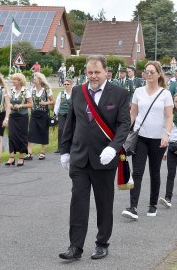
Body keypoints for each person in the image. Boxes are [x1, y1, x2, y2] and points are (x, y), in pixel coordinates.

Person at [59, 55, 130, 260]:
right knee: (78, 203)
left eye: (97, 72)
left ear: (107, 72)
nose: (93, 76)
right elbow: (70, 123)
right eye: (89, 72)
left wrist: (113, 148)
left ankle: (102, 243)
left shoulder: (119, 94)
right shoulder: (77, 91)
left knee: (104, 203)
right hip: (80, 158)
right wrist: (65, 150)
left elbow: (124, 125)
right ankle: (75, 247)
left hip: (105, 158)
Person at [122, 61, 173, 220]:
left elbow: (169, 116)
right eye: (147, 72)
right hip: (140, 137)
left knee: (154, 172)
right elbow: (132, 114)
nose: (149, 75)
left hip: (158, 139)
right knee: (136, 171)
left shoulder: (165, 94)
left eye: (152, 72)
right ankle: (133, 207)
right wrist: (124, 132)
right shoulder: (138, 91)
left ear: (158, 74)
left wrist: (167, 134)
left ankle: (152, 204)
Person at [24, 72, 54, 161]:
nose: (33, 79)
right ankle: (29, 153)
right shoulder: (31, 89)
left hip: (43, 114)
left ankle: (42, 152)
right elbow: (28, 101)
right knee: (31, 133)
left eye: (35, 78)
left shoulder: (47, 89)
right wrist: (29, 110)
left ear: (40, 80)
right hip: (34, 114)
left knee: (43, 132)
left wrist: (46, 103)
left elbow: (53, 101)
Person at [6, 73, 32, 166]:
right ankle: (11, 157)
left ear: (20, 81)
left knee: (21, 136)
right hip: (13, 116)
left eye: (14, 80)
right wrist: (10, 106)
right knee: (11, 135)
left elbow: (30, 104)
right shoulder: (11, 91)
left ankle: (21, 157)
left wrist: (21, 105)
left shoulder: (26, 91)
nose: (12, 81)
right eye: (13, 79)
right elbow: (7, 103)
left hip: (22, 116)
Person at [53, 78, 73, 154]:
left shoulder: (74, 93)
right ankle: (60, 147)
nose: (66, 86)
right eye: (65, 84)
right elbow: (57, 104)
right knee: (61, 130)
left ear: (71, 85)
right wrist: (55, 114)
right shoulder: (61, 93)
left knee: (71, 130)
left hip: (71, 114)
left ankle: (70, 146)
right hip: (62, 113)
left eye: (68, 84)